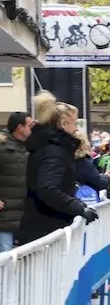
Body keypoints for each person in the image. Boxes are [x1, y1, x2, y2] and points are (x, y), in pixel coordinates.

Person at [18, 92, 98, 245]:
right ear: (63, 123)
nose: (76, 128)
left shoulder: (47, 147)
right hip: (47, 229)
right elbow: (48, 188)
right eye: (75, 123)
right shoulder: (54, 151)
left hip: (43, 227)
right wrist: (78, 207)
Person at [0, 111, 33, 252]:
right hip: (4, 215)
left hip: (22, 214)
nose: (32, 129)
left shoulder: (28, 147)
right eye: (29, 126)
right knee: (5, 255)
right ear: (20, 127)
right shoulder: (2, 147)